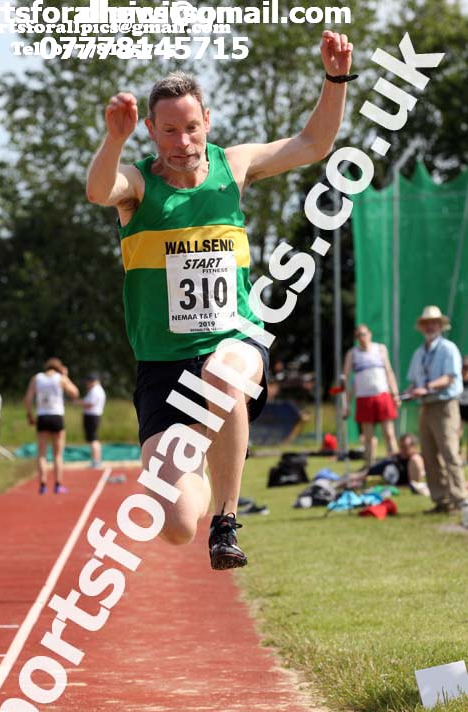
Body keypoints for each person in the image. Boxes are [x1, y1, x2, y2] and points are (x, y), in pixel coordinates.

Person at [86, 32, 355, 569]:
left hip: (235, 340)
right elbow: (98, 189)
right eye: (169, 130)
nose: (182, 141)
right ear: (151, 130)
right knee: (175, 526)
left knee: (222, 374)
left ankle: (227, 523)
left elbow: (313, 144)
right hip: (162, 367)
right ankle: (205, 468)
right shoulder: (138, 186)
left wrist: (335, 79)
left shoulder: (233, 166)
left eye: (191, 127)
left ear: (206, 120)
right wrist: (111, 140)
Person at [406, 306, 468, 521]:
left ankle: (460, 499)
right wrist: (407, 394)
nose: (430, 326)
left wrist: (428, 387)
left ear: (441, 325)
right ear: (422, 327)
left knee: (449, 451)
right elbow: (414, 382)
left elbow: (450, 378)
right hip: (426, 406)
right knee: (429, 454)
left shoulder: (448, 348)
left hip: (445, 405)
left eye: (434, 322)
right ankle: (441, 500)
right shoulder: (419, 352)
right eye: (427, 323)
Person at [343, 324, 400, 465]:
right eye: (359, 336)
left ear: (370, 334)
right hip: (364, 398)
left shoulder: (380, 349)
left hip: (382, 395)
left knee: (389, 433)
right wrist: (347, 404)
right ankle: (368, 466)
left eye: (364, 334)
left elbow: (389, 372)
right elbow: (347, 380)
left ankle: (396, 462)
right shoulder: (352, 354)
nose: (362, 338)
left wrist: (395, 394)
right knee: (368, 437)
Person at [24, 358, 79, 495]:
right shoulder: (60, 378)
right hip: (56, 416)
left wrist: (29, 415)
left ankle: (42, 485)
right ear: (59, 368)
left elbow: (28, 398)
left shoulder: (36, 378)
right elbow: (75, 394)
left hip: (42, 416)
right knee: (57, 454)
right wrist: (66, 376)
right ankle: (58, 485)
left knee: (41, 454)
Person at [338, 433, 427, 493]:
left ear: (414, 447)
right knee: (350, 478)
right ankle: (333, 485)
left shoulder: (414, 459)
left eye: (405, 447)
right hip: (375, 471)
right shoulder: (401, 456)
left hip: (381, 480)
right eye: (401, 447)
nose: (402, 450)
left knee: (354, 481)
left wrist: (390, 488)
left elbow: (413, 484)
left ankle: (333, 487)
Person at [80, 372, 106, 467]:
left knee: (93, 439)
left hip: (92, 416)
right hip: (93, 416)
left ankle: (96, 460)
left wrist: (77, 403)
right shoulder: (96, 390)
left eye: (87, 382)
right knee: (93, 439)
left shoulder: (95, 390)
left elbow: (90, 404)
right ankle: (96, 460)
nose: (86, 384)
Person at [460, 355, 468, 463]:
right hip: (459, 409)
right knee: (458, 433)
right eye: (464, 367)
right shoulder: (458, 380)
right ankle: (459, 455)